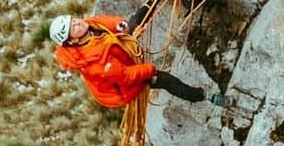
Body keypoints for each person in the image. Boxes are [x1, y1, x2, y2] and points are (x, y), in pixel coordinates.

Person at [49, 13, 226, 107]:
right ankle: (204, 97)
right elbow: (125, 76)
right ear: (72, 41)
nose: (78, 23)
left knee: (136, 20)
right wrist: (149, 70)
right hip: (122, 88)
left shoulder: (88, 27)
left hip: (120, 59)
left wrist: (119, 24)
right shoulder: (95, 64)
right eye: (73, 27)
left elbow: (102, 22)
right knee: (164, 80)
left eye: (74, 20)